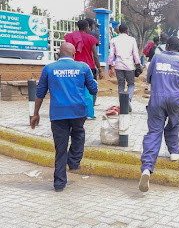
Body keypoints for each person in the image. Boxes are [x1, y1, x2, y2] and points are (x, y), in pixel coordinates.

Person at [30, 42, 97, 192]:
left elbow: (40, 93)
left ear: (59, 54)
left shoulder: (49, 68)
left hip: (58, 114)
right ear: (74, 55)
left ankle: (59, 183)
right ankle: (73, 161)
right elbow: (93, 89)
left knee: (60, 149)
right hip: (78, 112)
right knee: (79, 134)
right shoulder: (83, 67)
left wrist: (35, 113)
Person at [139, 36, 179, 192]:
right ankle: (174, 152)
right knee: (173, 124)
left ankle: (147, 168)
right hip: (174, 99)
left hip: (157, 98)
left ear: (167, 46)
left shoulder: (157, 57)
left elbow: (149, 77)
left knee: (154, 132)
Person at [64, 19, 101, 114]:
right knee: (91, 89)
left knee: (75, 88)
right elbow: (95, 55)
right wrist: (100, 69)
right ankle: (89, 111)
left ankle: (75, 110)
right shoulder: (90, 38)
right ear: (87, 27)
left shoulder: (71, 37)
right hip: (89, 67)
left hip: (73, 66)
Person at [108, 24, 141, 110]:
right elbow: (135, 54)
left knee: (121, 85)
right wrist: (138, 64)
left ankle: (123, 104)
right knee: (131, 84)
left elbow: (111, 54)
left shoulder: (114, 40)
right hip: (129, 66)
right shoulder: (132, 40)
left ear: (119, 31)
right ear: (127, 30)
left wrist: (110, 65)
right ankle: (128, 100)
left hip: (118, 65)